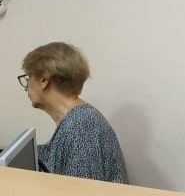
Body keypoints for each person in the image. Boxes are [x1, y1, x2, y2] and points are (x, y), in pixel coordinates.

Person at [18, 42, 128, 184]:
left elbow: (80, 193)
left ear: (44, 79)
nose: (26, 88)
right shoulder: (78, 118)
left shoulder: (81, 127)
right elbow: (54, 154)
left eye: (29, 78)